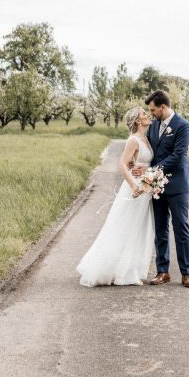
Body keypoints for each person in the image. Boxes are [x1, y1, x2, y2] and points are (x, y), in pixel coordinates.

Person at [76, 107, 156, 286]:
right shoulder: (133, 140)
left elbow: (146, 163)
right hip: (135, 188)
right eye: (144, 114)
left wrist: (150, 176)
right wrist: (135, 186)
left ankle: (130, 269)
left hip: (147, 188)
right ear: (137, 120)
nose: (148, 115)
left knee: (139, 228)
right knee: (126, 226)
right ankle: (115, 270)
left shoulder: (146, 138)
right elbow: (122, 165)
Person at [138, 89, 189, 288]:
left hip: (178, 184)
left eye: (153, 109)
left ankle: (186, 273)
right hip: (156, 186)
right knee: (160, 229)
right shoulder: (153, 126)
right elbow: (151, 152)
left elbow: (178, 155)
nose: (151, 113)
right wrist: (142, 168)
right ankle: (162, 271)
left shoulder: (183, 125)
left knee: (181, 228)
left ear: (163, 106)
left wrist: (153, 170)